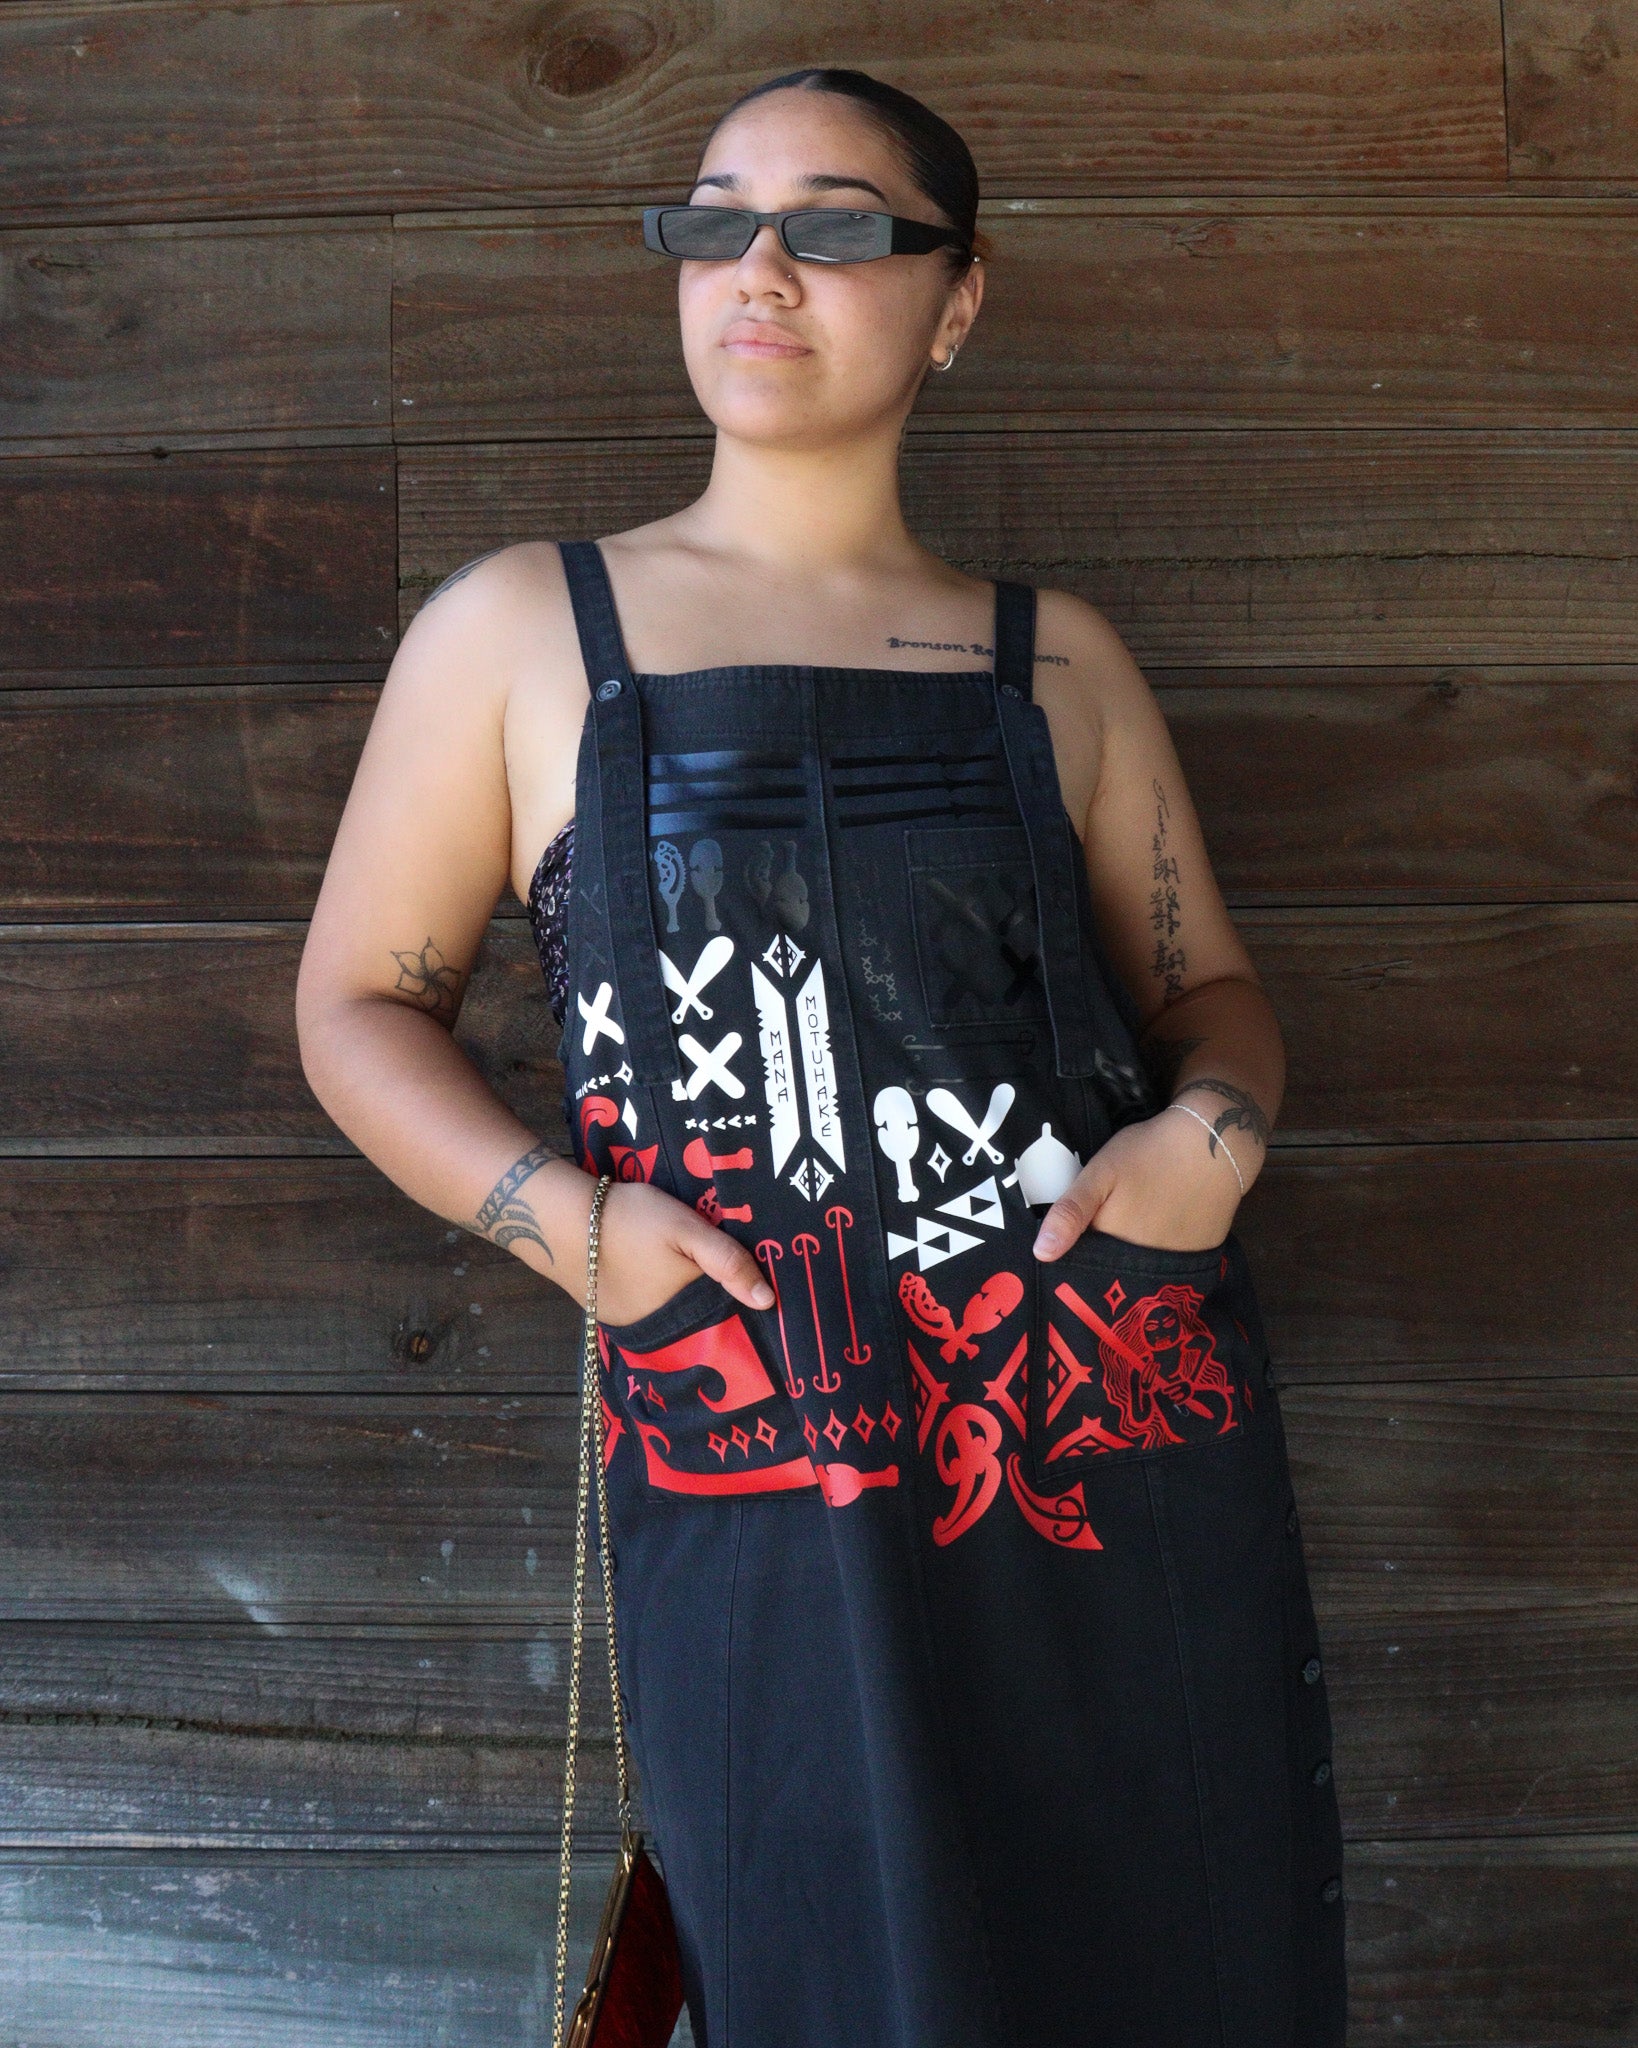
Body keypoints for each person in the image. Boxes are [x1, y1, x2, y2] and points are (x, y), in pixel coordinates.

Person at [296, 65, 1346, 2048]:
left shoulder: (1053, 660)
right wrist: (565, 1227)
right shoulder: (527, 631)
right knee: (829, 1954)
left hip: (1096, 1421)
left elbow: (1210, 997)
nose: (759, 269)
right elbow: (355, 1007)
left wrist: (1215, 1132)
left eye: (837, 226)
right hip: (758, 1436)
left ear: (958, 298)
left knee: (1160, 1945)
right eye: (714, 222)